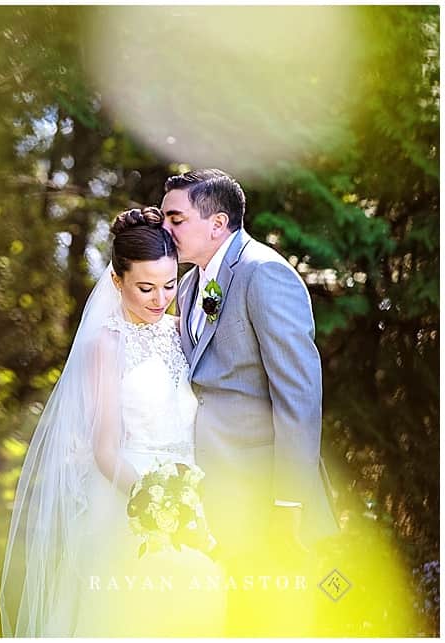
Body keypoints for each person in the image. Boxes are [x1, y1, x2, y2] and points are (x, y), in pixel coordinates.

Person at [0, 207, 225, 637]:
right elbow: (104, 450)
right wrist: (154, 504)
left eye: (170, 285)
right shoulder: (106, 343)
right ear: (117, 281)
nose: (160, 299)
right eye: (145, 288)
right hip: (128, 503)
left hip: (193, 500)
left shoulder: (181, 331)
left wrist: (187, 505)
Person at [161, 168, 340, 635]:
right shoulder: (186, 285)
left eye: (176, 219)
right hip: (212, 493)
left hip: (267, 498)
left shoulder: (266, 274)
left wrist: (289, 503)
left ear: (217, 224)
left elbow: (298, 395)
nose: (167, 230)